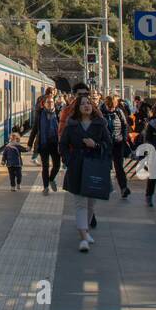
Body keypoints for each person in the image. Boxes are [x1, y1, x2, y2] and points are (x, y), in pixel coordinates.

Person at [60, 91, 112, 252]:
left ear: (93, 106)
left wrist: (95, 145)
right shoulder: (72, 125)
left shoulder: (100, 124)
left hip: (95, 166)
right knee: (80, 203)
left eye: (88, 103)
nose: (86, 106)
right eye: (82, 104)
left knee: (91, 203)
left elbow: (108, 145)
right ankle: (83, 237)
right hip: (77, 166)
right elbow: (63, 145)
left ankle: (86, 230)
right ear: (78, 108)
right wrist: (68, 160)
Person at [28, 93, 62, 193]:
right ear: (44, 104)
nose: (50, 104)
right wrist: (30, 144)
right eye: (48, 102)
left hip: (55, 144)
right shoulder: (40, 115)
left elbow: (63, 129)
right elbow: (34, 130)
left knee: (57, 165)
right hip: (44, 144)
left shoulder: (59, 114)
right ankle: (46, 187)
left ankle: (51, 179)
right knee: (45, 166)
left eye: (52, 102)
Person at [104, 93, 133, 199]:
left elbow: (125, 126)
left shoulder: (119, 112)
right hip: (106, 144)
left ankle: (124, 188)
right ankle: (106, 188)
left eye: (113, 105)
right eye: (109, 106)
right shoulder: (101, 113)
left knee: (119, 167)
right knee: (106, 166)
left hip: (118, 143)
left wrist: (124, 139)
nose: (111, 108)